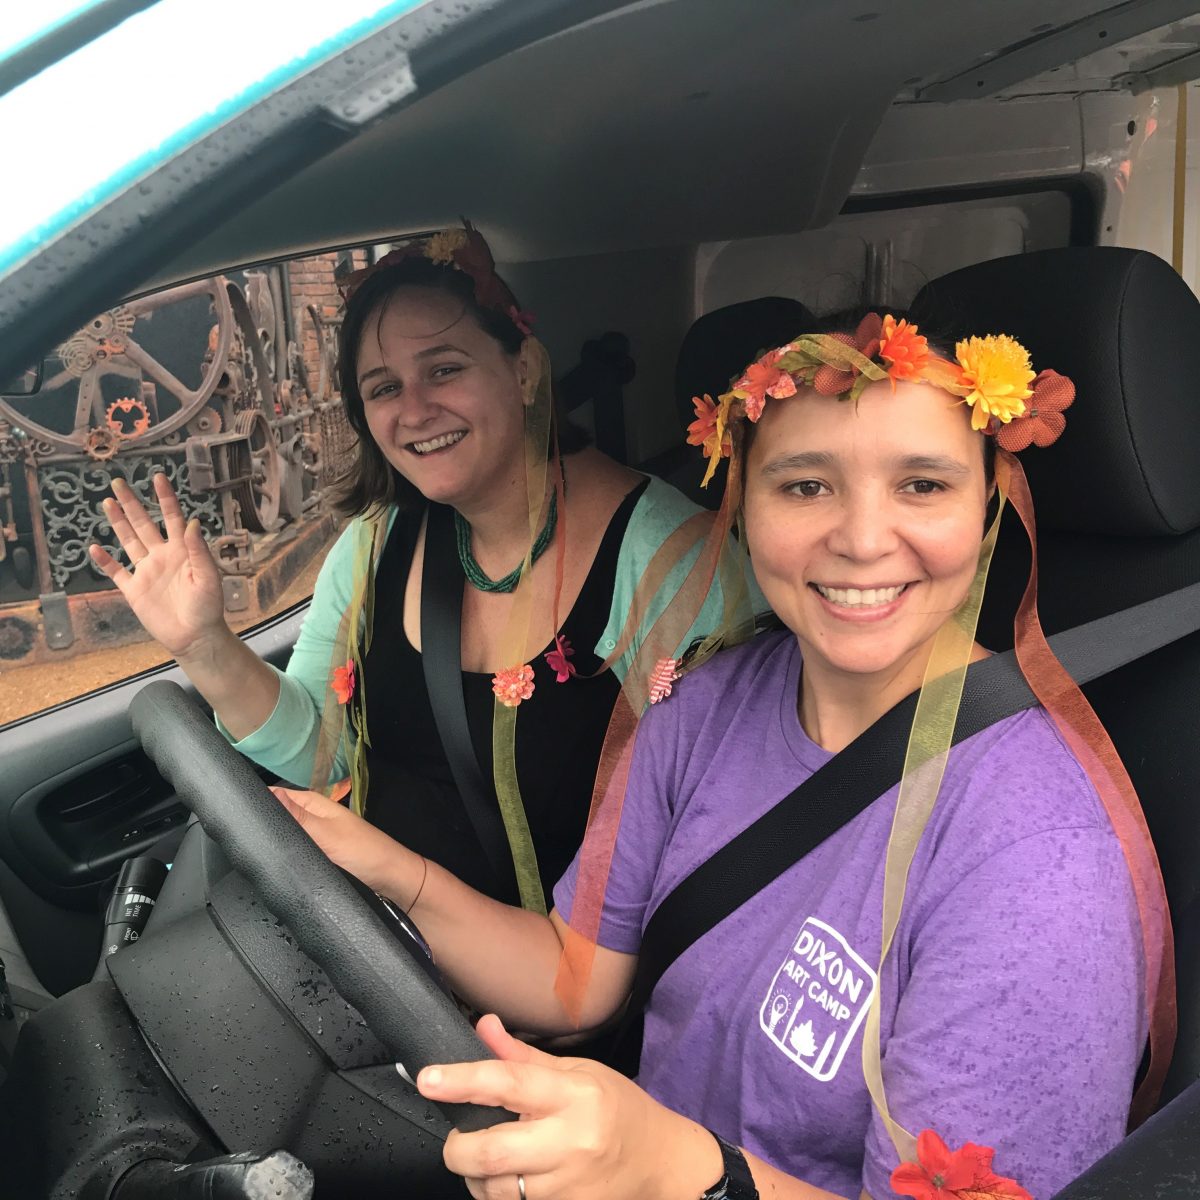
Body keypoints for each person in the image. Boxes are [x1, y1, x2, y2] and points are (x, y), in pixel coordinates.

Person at [268, 312, 1173, 1200]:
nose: (862, 539)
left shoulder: (1036, 853)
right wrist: (380, 868)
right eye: (805, 486)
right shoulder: (702, 708)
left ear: (987, 509)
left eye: (922, 485)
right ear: (740, 508)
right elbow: (574, 980)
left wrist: (671, 1170)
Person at [90, 223, 760, 914]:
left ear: (523, 369)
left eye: (444, 370)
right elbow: (323, 753)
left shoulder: (674, 566)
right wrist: (205, 645)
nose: (414, 410)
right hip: (366, 936)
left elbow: (716, 853)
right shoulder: (377, 543)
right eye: (384, 387)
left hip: (538, 973)